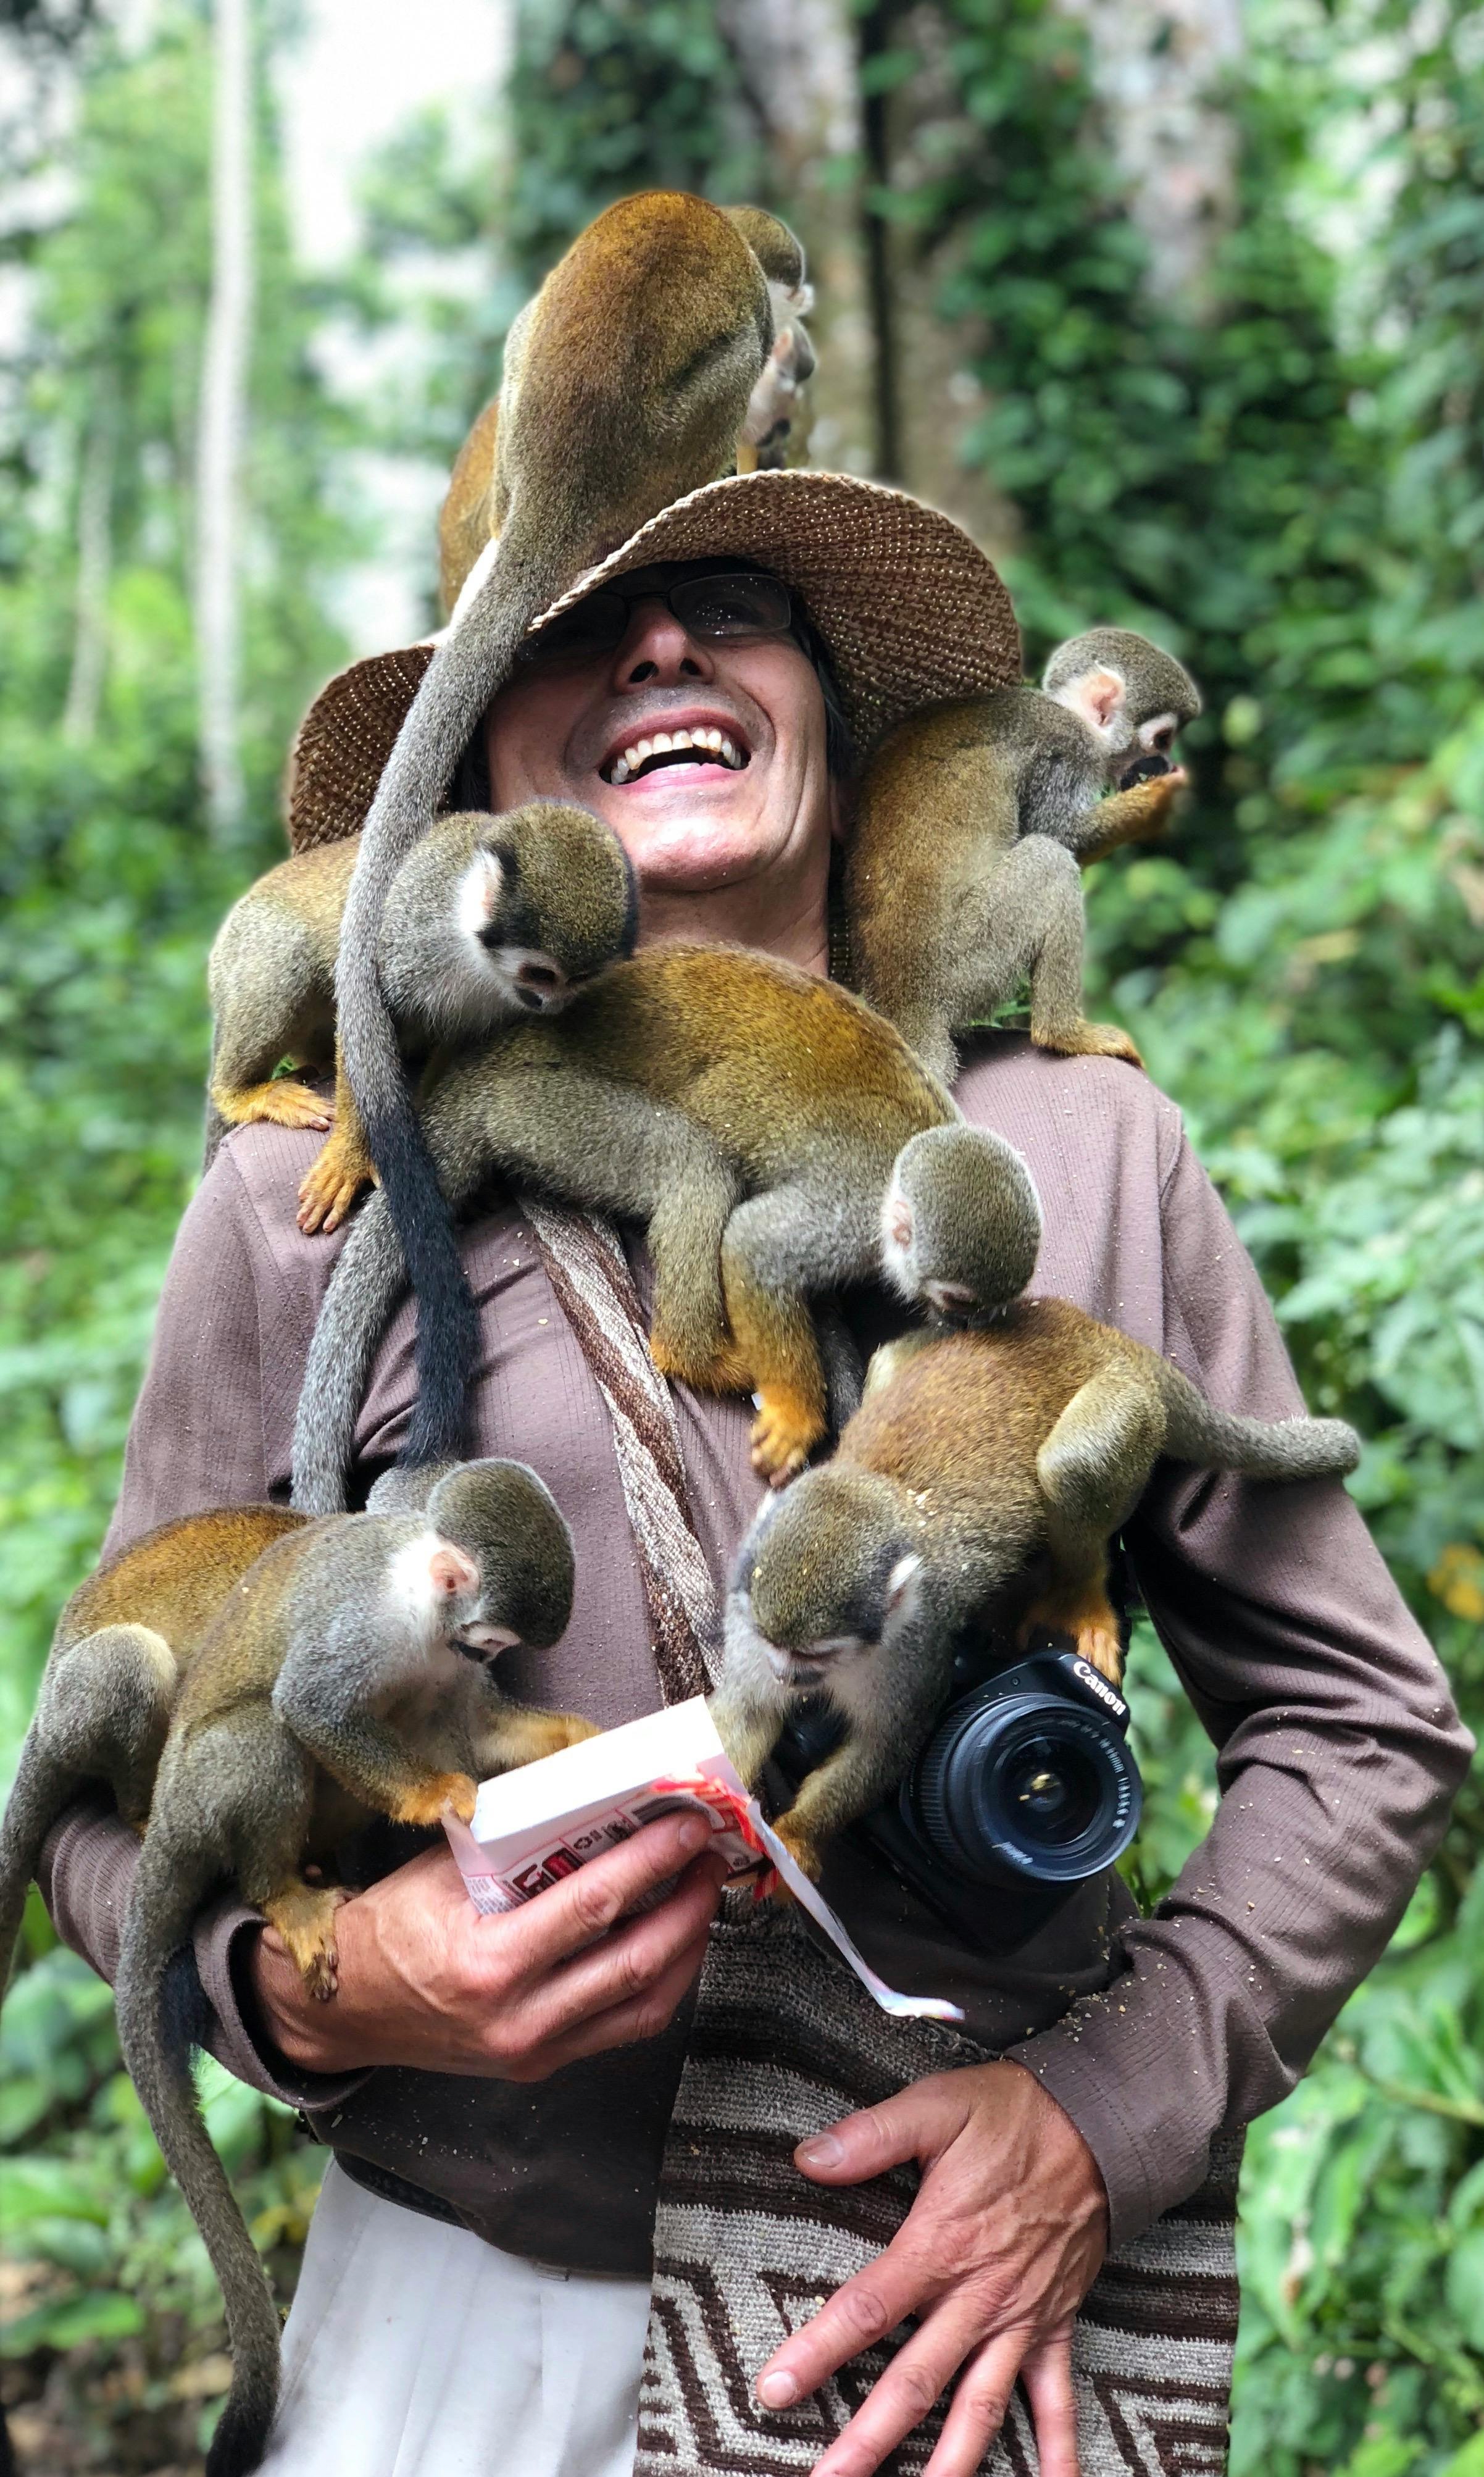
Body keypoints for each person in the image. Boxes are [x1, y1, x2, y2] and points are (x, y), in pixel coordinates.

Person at [38, 467, 1469, 2477]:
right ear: (486, 773)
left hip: (957, 2343)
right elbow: (105, 1801)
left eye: (728, 603)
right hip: (466, 2326)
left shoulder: (1076, 1150)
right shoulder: (312, 1190)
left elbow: (1363, 1723)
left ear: (827, 712)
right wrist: (335, 1988)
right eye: (572, 633)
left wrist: (1105, 2113)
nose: (656, 647)